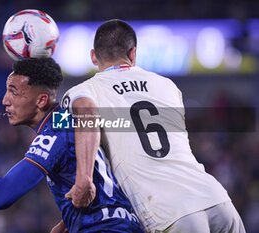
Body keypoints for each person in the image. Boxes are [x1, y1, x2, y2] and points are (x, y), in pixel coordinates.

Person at [61, 19, 246, 233]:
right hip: (216, 200)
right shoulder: (167, 85)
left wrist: (83, 179)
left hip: (169, 210)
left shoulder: (85, 91)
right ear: (133, 53)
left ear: (93, 56)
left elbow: (84, 112)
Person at [0, 58, 143, 233]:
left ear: (41, 100)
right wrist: (69, 221)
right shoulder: (66, 120)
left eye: (13, 92)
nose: (4, 100)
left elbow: (0, 195)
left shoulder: (54, 132)